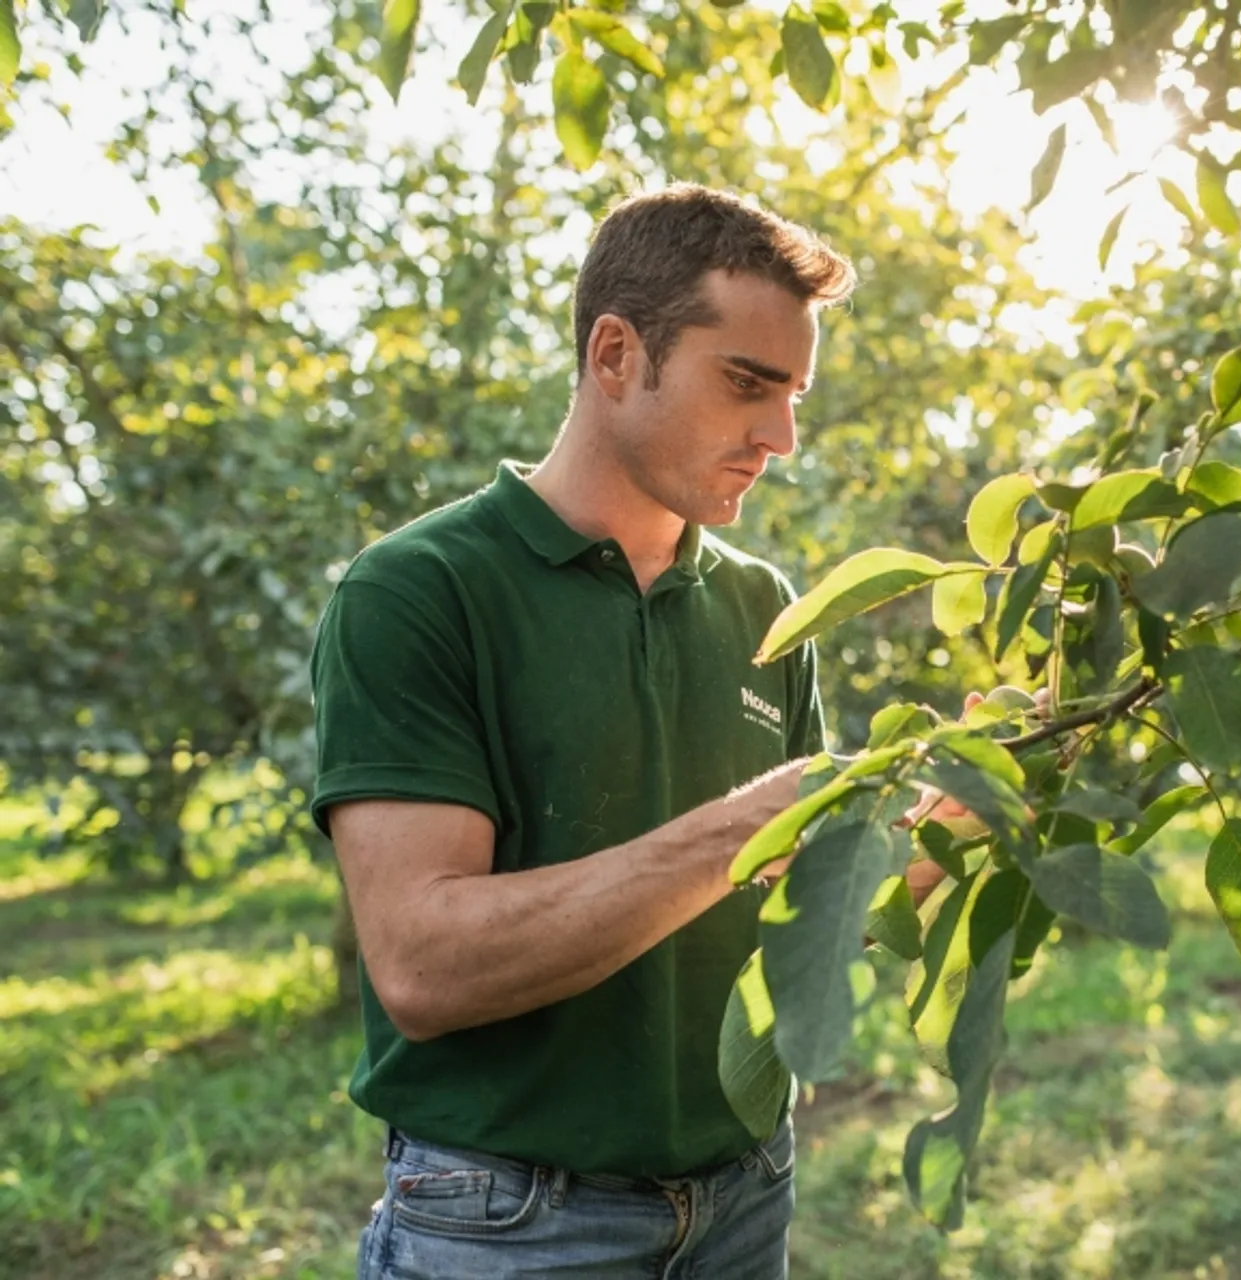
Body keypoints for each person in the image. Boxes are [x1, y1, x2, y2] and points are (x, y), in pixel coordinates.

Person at [311, 184, 944, 1279]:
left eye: (794, 393)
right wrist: (737, 825)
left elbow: (806, 926)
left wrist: (940, 843)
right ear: (616, 355)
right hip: (511, 1219)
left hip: (747, 1195)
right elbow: (422, 963)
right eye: (748, 383)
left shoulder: (765, 609)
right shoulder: (417, 591)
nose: (782, 436)